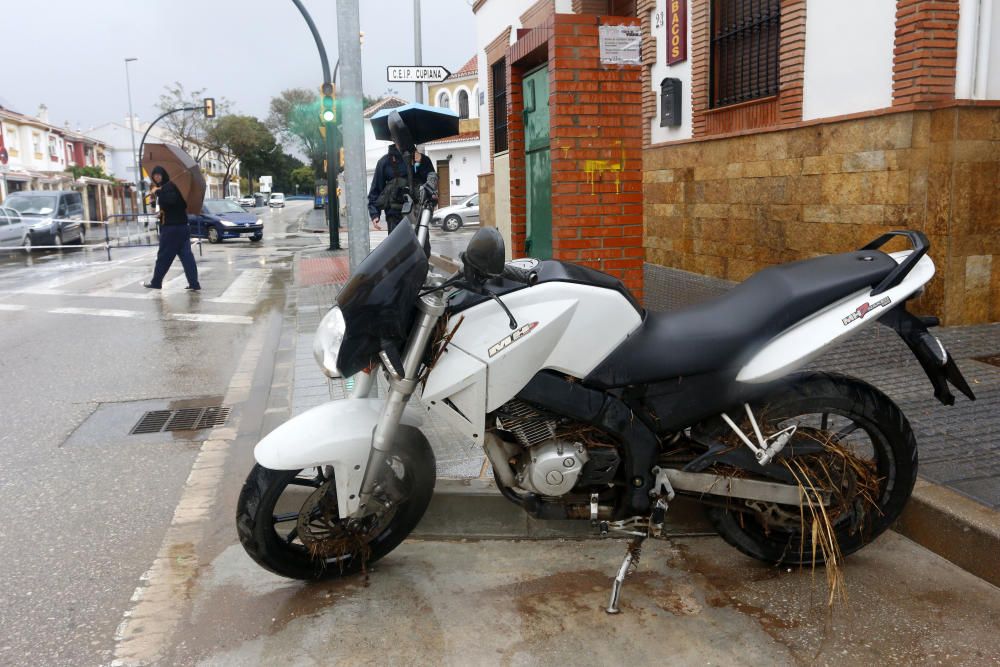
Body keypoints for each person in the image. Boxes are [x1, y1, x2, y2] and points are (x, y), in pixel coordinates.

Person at [143, 165, 201, 291]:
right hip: (182, 227)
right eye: (154, 175)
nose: (156, 177)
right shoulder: (170, 187)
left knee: (164, 256)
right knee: (186, 257)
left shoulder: (169, 186)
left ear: (163, 175)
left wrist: (157, 191)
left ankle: (156, 282)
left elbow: (171, 201)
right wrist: (161, 213)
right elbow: (173, 206)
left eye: (158, 175)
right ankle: (194, 283)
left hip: (172, 229)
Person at [368, 144, 434, 233]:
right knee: (397, 246)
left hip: (418, 214)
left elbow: (431, 184)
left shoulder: (424, 160)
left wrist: (421, 163)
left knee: (420, 246)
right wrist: (375, 213)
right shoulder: (385, 162)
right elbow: (376, 189)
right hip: (395, 216)